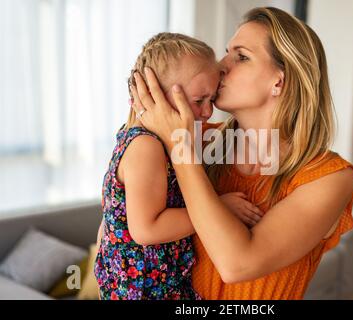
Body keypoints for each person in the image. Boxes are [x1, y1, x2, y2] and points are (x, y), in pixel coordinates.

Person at [130, 7, 353, 299]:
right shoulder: (196, 137)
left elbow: (237, 264)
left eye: (241, 56)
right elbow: (119, 224)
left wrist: (179, 148)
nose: (221, 64)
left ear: (279, 81)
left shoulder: (328, 178)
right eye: (227, 52)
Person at [94, 33, 262, 300]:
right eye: (199, 101)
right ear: (155, 95)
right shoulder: (146, 147)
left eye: (212, 98)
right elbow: (146, 229)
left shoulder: (165, 141)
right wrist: (220, 207)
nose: (208, 112)